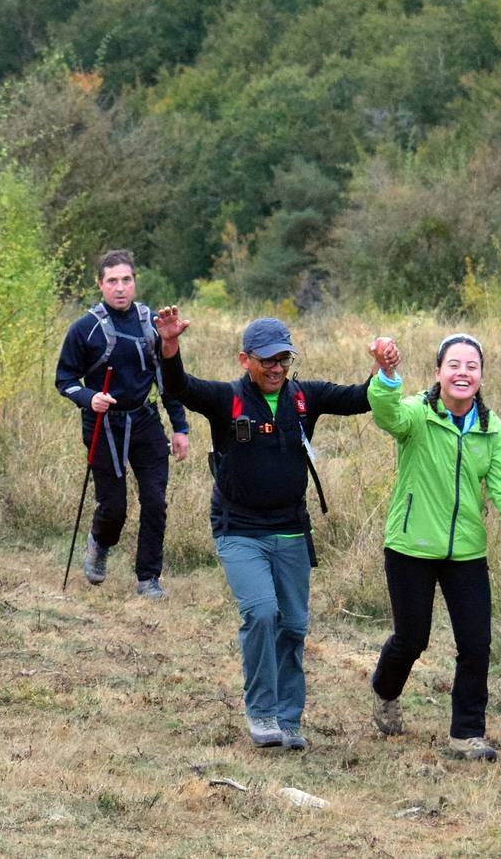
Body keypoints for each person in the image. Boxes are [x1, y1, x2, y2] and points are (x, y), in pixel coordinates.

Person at [153, 311, 380, 750]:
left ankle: (288, 718)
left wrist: (382, 369)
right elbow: (179, 387)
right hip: (239, 528)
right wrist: (169, 347)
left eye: (284, 359)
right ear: (245, 360)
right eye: (267, 360)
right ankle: (260, 712)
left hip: (291, 529)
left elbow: (360, 398)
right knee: (261, 613)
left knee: (293, 626)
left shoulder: (304, 398)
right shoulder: (227, 400)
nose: (276, 368)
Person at [365, 332, 501, 761]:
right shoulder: (417, 413)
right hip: (411, 545)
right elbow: (386, 414)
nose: (463, 373)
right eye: (454, 365)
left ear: (482, 376)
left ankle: (467, 733)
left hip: (466, 552)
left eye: (472, 367)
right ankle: (385, 689)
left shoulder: (491, 429)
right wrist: (387, 373)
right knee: (412, 639)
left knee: (476, 643)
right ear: (438, 373)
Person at [54, 250, 190, 599]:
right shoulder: (84, 329)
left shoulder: (151, 324)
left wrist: (179, 427)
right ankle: (100, 542)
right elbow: (64, 379)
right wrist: (89, 398)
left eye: (126, 280)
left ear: (134, 282)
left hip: (145, 421)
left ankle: (148, 578)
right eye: (112, 281)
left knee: (155, 500)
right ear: (100, 285)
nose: (120, 288)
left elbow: (168, 379)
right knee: (114, 506)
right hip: (104, 424)